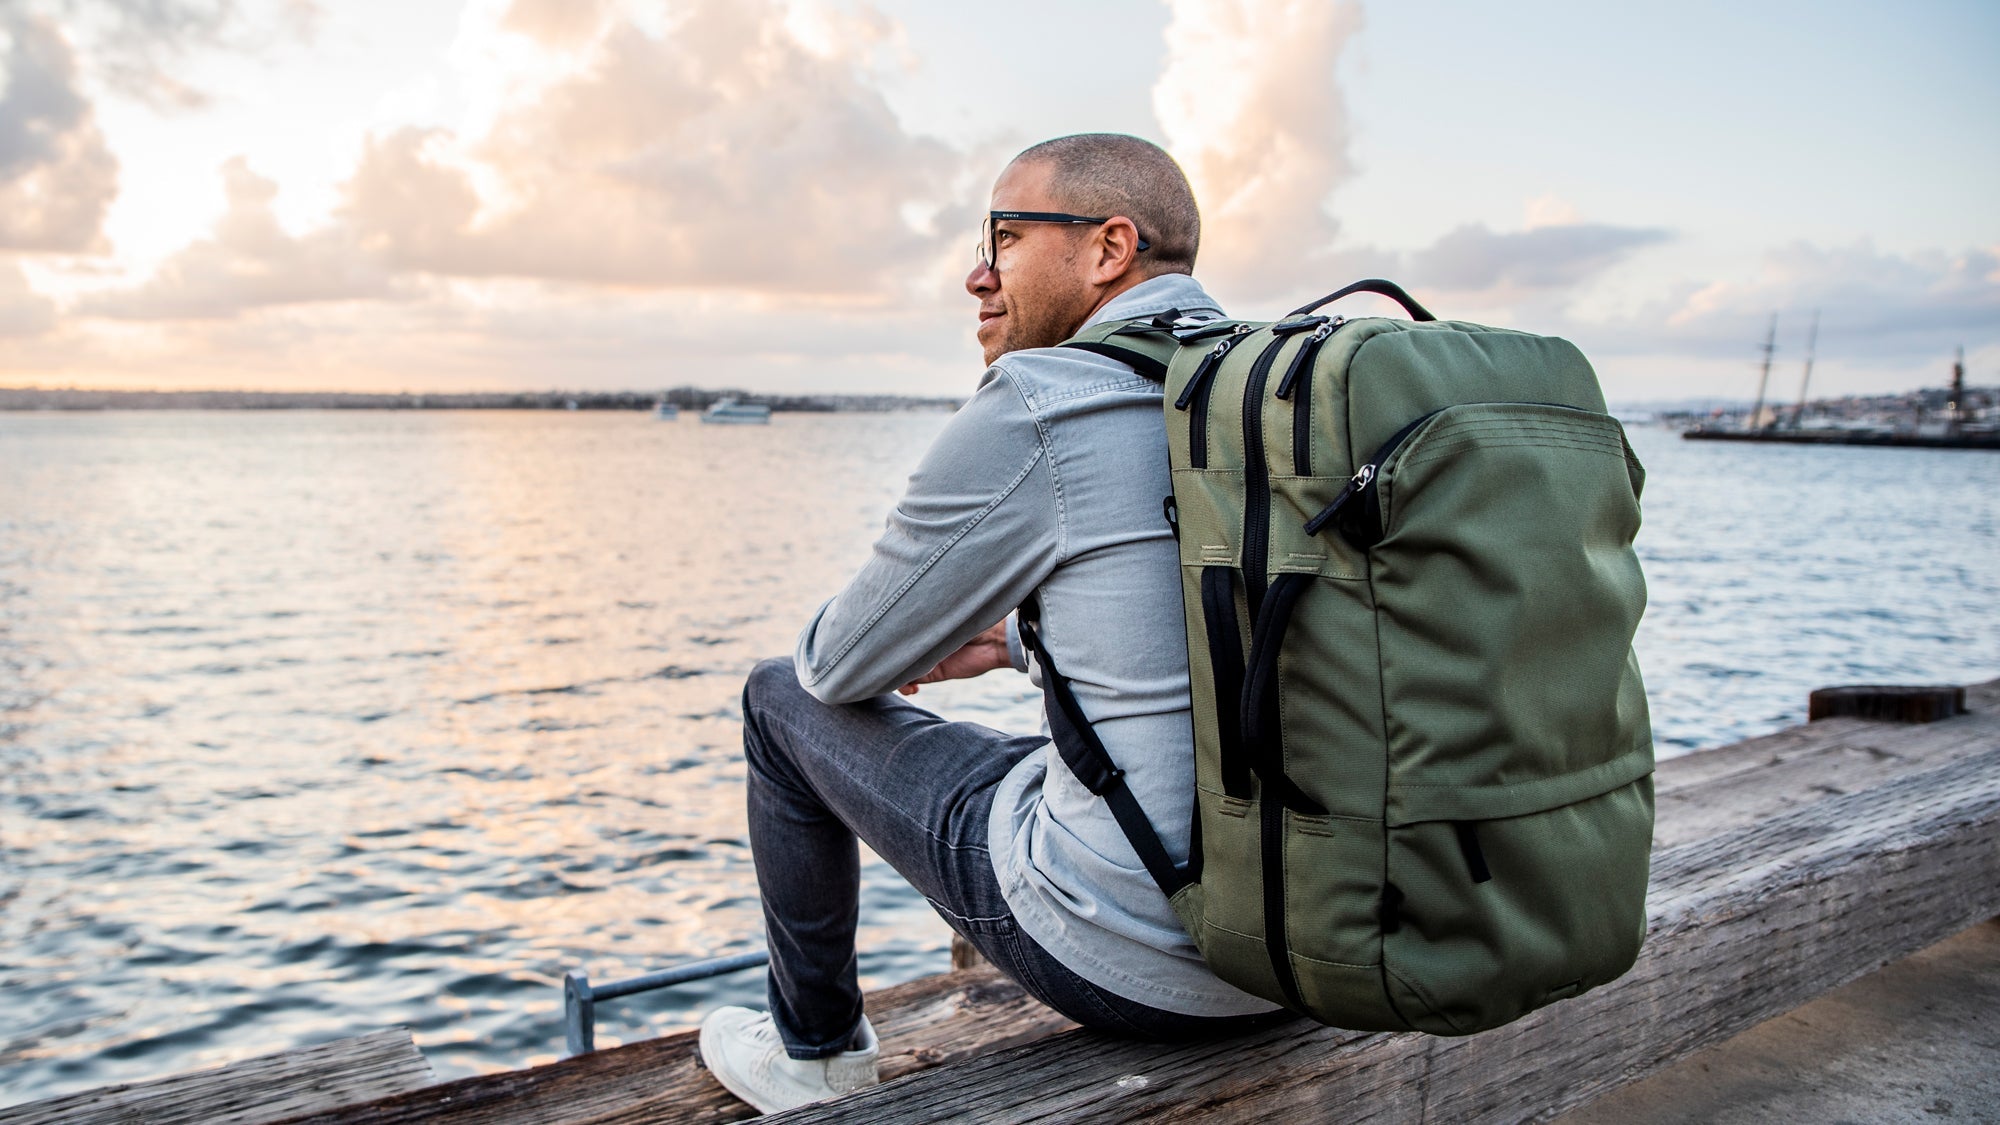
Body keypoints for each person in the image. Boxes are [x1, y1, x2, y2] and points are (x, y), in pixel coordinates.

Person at [697, 133, 1283, 1115]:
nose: (977, 273)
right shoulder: (1269, 390)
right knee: (1036, 748)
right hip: (1314, 939)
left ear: (1108, 248)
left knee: (776, 698)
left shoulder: (1042, 405)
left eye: (1004, 236)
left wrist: (916, 631)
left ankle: (814, 1056)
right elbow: (1234, 619)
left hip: (1138, 962)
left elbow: (836, 668)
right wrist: (1017, 642)